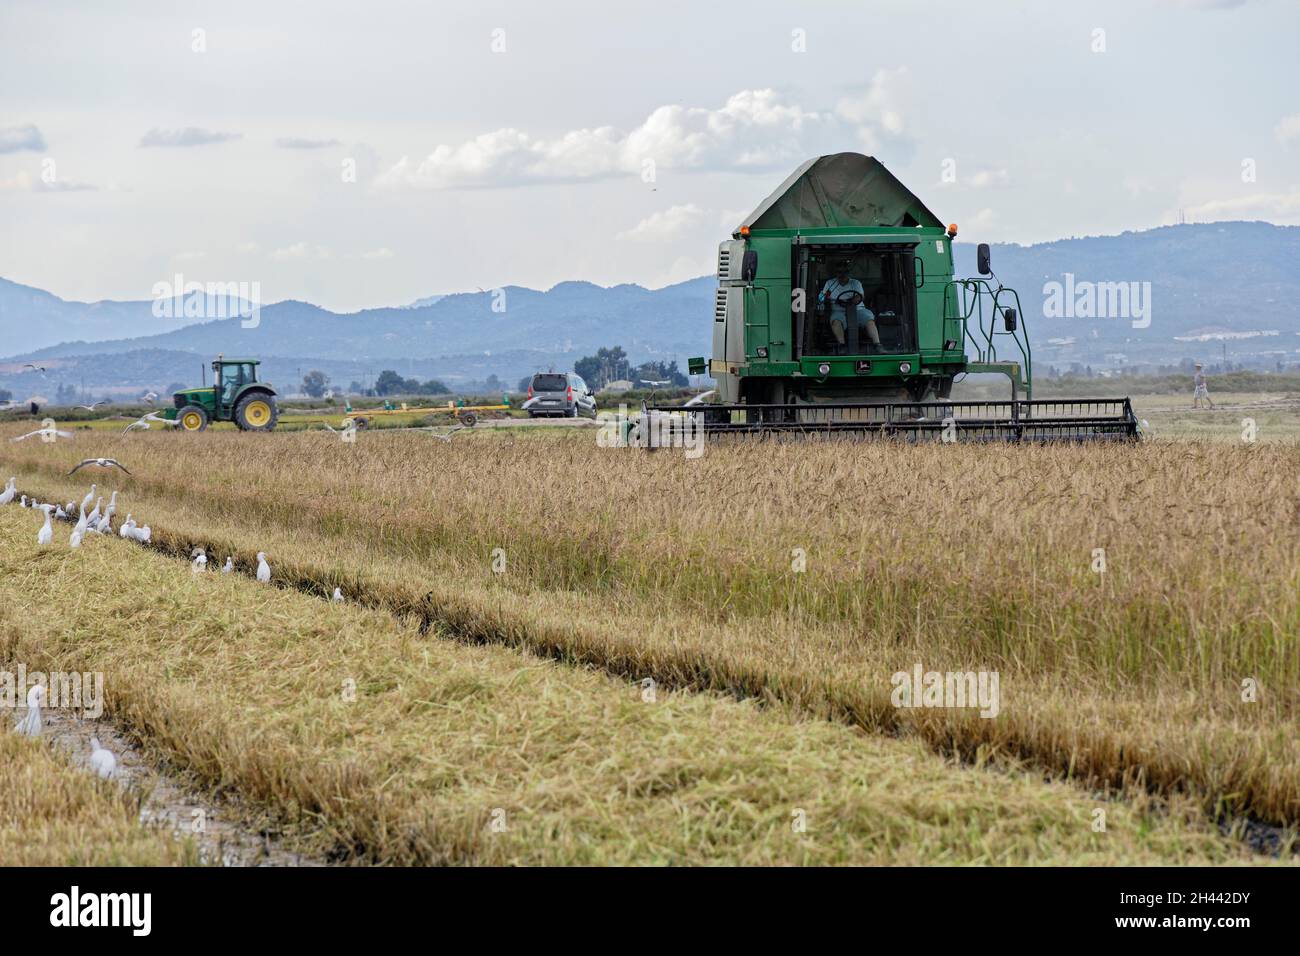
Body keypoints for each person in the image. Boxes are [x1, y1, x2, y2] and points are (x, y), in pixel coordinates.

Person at [818, 261, 880, 352]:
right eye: (839, 272)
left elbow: (860, 296)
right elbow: (822, 297)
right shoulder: (830, 283)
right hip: (838, 310)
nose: (842, 275)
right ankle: (842, 346)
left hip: (858, 309)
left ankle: (877, 345)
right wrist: (823, 297)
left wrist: (852, 300)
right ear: (836, 273)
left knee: (869, 320)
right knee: (835, 322)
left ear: (848, 272)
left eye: (844, 272)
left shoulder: (855, 283)